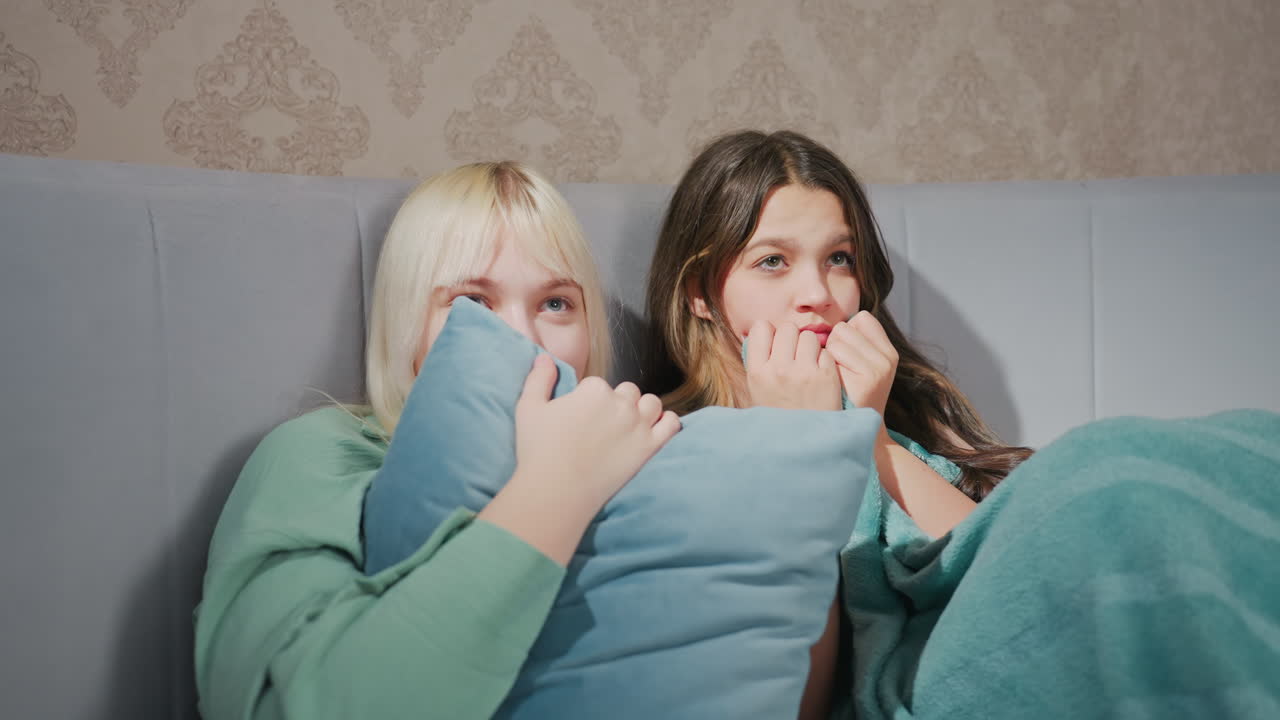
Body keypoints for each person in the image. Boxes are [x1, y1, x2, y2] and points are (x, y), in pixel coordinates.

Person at [195, 161, 679, 720]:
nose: (522, 338)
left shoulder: (637, 451)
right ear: (409, 322)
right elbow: (296, 704)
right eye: (474, 301)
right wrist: (560, 490)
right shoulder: (320, 455)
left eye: (556, 303)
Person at [640, 129, 1032, 718]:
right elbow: (790, 698)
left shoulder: (900, 419)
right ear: (700, 291)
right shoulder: (667, 447)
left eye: (838, 259)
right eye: (772, 261)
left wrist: (865, 434)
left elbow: (1018, 578)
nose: (818, 294)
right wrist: (804, 449)